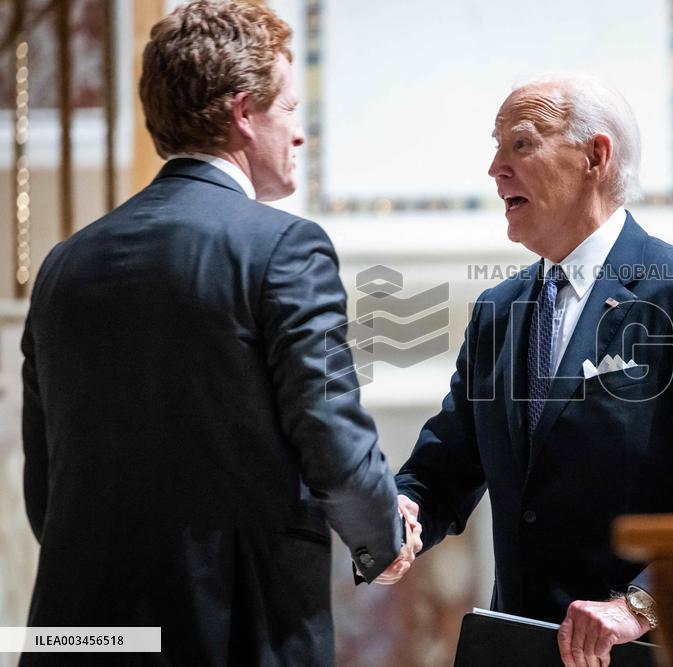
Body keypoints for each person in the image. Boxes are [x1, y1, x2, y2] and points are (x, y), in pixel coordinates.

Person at [20, 2, 419, 664]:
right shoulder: (284, 247)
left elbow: (46, 491)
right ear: (243, 113)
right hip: (232, 632)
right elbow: (330, 431)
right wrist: (383, 534)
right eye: (290, 109)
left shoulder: (65, 263)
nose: (300, 135)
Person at [393, 73, 673, 667]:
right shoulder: (497, 312)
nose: (495, 168)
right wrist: (397, 512)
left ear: (595, 156)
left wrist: (637, 606)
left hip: (648, 653)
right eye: (496, 146)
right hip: (516, 653)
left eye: (520, 144)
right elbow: (441, 474)